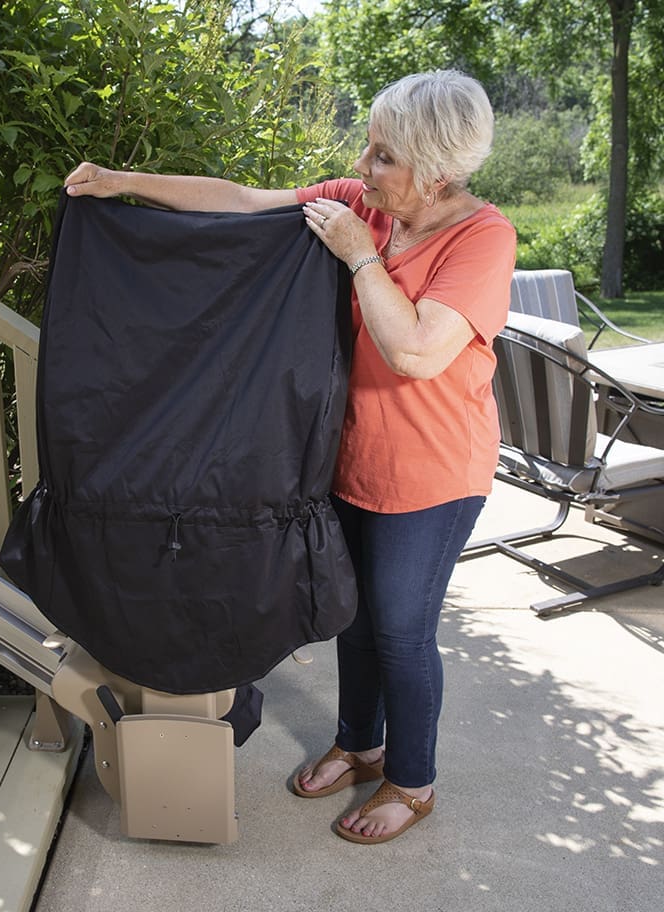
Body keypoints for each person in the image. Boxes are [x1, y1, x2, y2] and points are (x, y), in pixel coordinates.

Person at [64, 69, 516, 844]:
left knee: (402, 630)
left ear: (437, 171)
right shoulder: (363, 203)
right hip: (350, 458)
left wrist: (358, 257)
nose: (365, 168)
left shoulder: (482, 238)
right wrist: (119, 183)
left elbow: (412, 351)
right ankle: (361, 742)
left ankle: (412, 783)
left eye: (385, 157)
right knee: (354, 616)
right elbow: (240, 200)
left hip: (434, 474)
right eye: (370, 150)